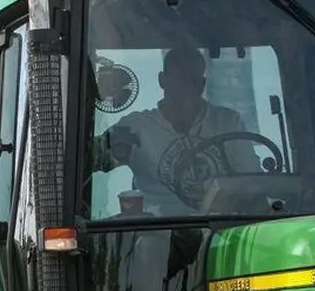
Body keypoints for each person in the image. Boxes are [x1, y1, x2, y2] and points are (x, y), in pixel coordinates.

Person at [92, 45, 261, 215]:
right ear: (162, 80)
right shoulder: (136, 130)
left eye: (192, 80)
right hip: (158, 232)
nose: (185, 86)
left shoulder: (228, 123)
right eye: (178, 78)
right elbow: (86, 160)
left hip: (220, 228)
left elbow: (250, 183)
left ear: (202, 84)